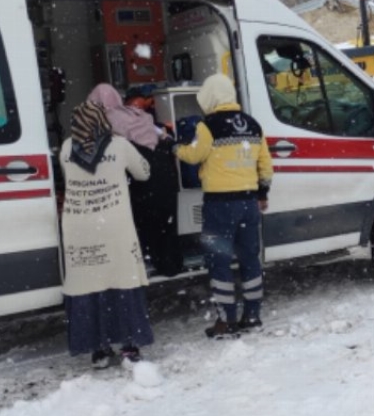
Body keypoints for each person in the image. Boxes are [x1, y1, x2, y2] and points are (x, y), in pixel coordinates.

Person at [174, 74, 273, 338]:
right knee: (250, 260)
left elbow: (194, 155)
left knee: (219, 262)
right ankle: (252, 316)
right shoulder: (253, 125)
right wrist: (262, 193)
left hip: (219, 206)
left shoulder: (209, 126)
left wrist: (174, 147)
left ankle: (226, 320)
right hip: (249, 203)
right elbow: (265, 165)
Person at [60, 100, 154, 368]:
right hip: (113, 225)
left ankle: (99, 350)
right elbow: (144, 173)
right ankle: (128, 346)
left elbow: (69, 178)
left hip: (79, 227)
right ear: (103, 120)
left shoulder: (67, 147)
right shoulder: (120, 145)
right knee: (121, 283)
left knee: (90, 286)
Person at [88, 83, 182, 277]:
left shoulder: (105, 120)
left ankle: (142, 262)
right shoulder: (143, 117)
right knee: (165, 223)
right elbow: (161, 138)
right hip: (163, 174)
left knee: (142, 221)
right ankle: (169, 264)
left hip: (142, 177)